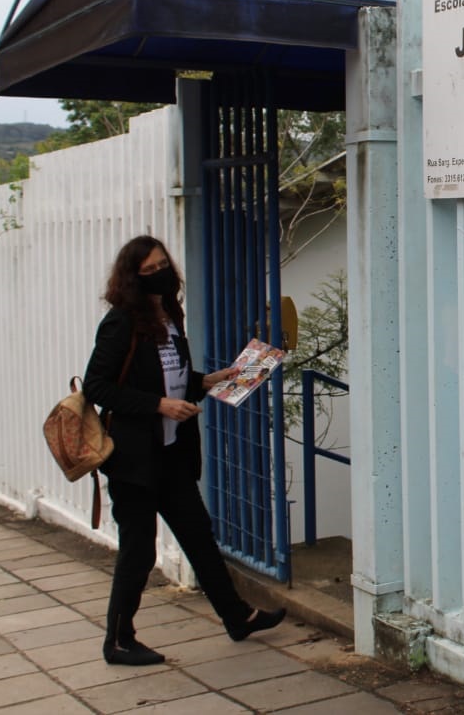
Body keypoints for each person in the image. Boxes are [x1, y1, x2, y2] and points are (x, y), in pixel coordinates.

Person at [83, 235, 286, 666]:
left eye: (162, 266)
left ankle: (237, 617)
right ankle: (118, 640)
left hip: (173, 454)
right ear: (132, 279)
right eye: (148, 271)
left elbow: (167, 376)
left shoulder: (170, 315)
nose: (159, 274)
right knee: (139, 551)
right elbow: (99, 386)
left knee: (199, 538)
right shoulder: (121, 322)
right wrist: (159, 405)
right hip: (134, 461)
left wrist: (208, 380)